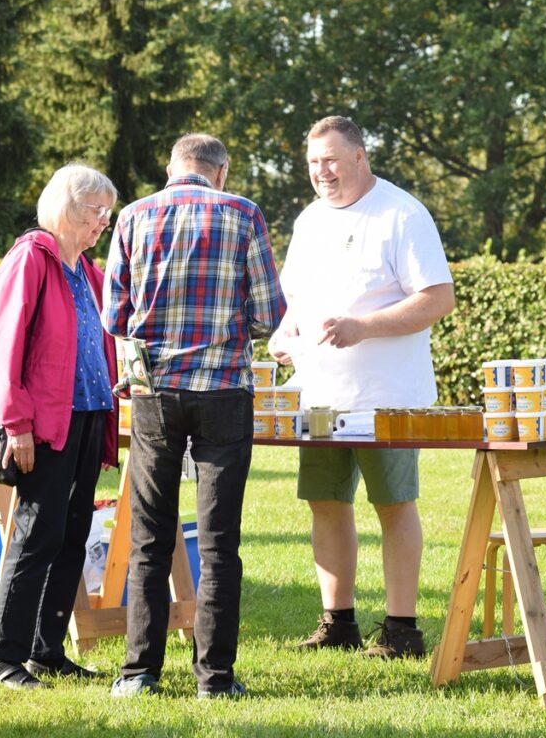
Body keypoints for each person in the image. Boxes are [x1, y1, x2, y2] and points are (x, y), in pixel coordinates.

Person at [102, 133, 286, 698]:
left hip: (155, 391)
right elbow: (267, 313)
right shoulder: (244, 214)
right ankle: (215, 678)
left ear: (171, 168)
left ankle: (139, 673)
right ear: (221, 172)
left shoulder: (133, 215)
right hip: (225, 390)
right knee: (218, 540)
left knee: (151, 537)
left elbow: (115, 314)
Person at [269, 115, 455, 659]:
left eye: (330, 159)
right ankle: (339, 621)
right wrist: (285, 334)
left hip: (387, 397)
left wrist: (364, 328)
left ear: (359, 156)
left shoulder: (402, 213)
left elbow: (438, 298)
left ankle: (402, 630)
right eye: (312, 163)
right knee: (325, 503)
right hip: (320, 396)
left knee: (394, 505)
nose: (321, 172)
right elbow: (295, 303)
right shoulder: (308, 221)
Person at [0, 163, 119, 689]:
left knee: (72, 533)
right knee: (37, 534)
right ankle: (5, 657)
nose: (103, 221)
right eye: (94, 211)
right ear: (65, 207)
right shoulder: (31, 260)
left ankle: (46, 650)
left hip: (85, 416)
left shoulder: (86, 269)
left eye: (107, 212)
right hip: (42, 424)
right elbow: (2, 346)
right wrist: (16, 423)